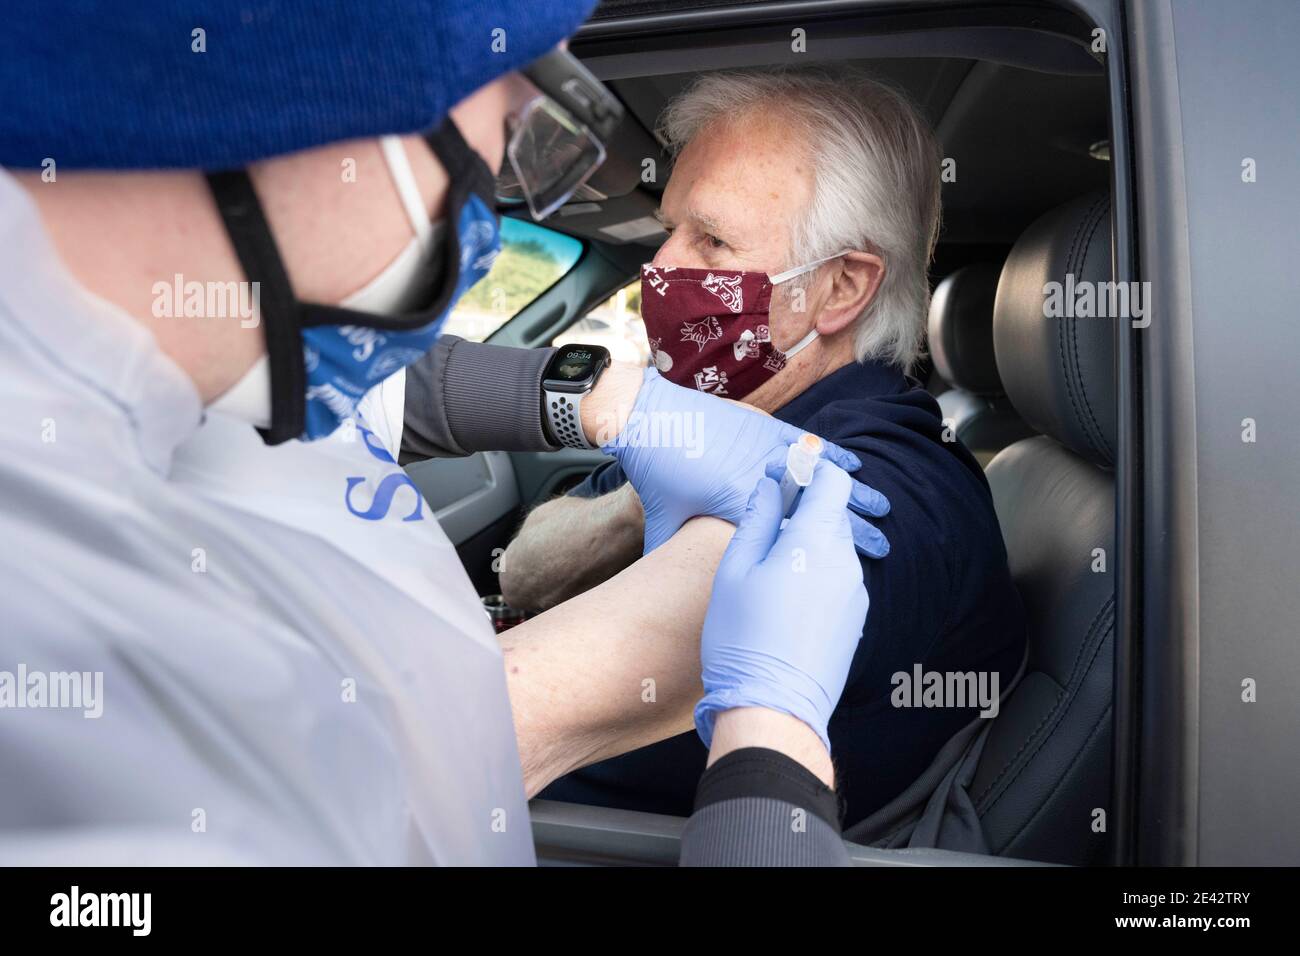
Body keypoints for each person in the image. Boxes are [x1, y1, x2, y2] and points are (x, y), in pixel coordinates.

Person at [0, 2, 880, 865]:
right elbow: (379, 778)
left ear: (842, 288)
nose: (486, 234)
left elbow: (396, 393)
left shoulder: (160, 370)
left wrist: (606, 399)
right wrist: (772, 744)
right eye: (495, 129)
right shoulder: (80, 660)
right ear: (314, 109)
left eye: (714, 240)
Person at [497, 68, 1028, 825]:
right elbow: (521, 575)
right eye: (668, 230)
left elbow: (471, 734)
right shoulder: (711, 417)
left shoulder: (888, 481)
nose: (659, 267)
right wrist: (635, 505)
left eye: (711, 239)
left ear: (840, 288)